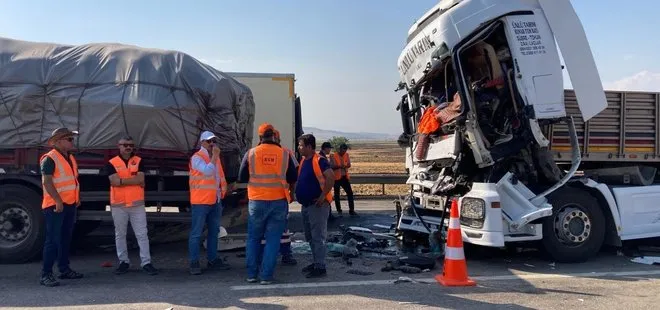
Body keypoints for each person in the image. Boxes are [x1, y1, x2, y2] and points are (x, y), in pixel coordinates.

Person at [238, 123, 297, 285]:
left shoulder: (251, 154)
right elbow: (293, 176)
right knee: (272, 240)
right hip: (278, 201)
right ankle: (266, 276)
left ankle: (251, 274)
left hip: (256, 202)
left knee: (253, 238)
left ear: (260, 137)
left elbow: (242, 177)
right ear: (274, 136)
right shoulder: (284, 154)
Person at [105, 135, 158, 276]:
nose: (128, 147)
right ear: (119, 146)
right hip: (119, 205)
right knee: (120, 234)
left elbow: (140, 179)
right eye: (125, 145)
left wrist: (122, 180)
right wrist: (133, 180)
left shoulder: (139, 161)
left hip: (136, 204)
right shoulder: (112, 163)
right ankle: (123, 262)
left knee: (142, 234)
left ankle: (146, 262)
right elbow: (114, 182)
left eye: (131, 145)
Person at [39, 127, 84, 287]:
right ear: (58, 141)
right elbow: (47, 182)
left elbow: (73, 181)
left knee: (65, 238)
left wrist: (75, 199)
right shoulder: (49, 158)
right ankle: (46, 274)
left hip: (69, 204)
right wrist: (58, 201)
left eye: (72, 139)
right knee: (52, 240)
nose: (72, 142)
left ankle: (64, 269)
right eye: (69, 139)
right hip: (55, 206)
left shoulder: (69, 157)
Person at [188, 130, 231, 275]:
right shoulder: (197, 157)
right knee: (196, 233)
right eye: (209, 141)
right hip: (201, 201)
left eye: (213, 141)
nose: (212, 144)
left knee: (214, 232)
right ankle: (194, 262)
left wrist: (221, 193)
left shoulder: (215, 158)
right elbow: (207, 171)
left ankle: (212, 260)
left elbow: (218, 177)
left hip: (214, 200)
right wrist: (215, 157)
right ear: (202, 143)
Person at [296, 133, 335, 278]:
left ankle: (320, 266)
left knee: (317, 236)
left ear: (309, 146)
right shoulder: (304, 161)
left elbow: (330, 177)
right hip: (306, 205)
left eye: (301, 145)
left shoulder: (319, 160)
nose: (299, 148)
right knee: (310, 236)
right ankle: (316, 261)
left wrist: (322, 196)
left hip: (317, 205)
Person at [331, 143, 357, 216]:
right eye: (342, 150)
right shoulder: (333, 156)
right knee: (337, 195)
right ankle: (339, 211)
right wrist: (340, 166)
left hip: (344, 177)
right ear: (339, 149)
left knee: (350, 193)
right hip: (336, 178)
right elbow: (332, 166)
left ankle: (351, 210)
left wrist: (345, 166)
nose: (344, 152)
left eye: (345, 151)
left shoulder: (347, 155)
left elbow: (349, 164)